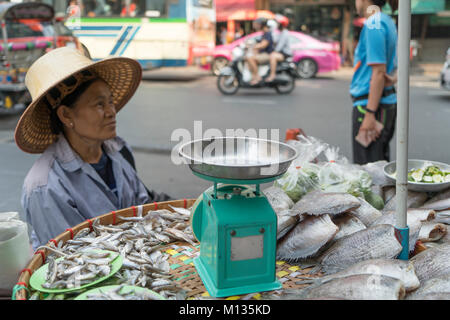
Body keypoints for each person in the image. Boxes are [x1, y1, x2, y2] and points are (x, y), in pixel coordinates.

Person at [16, 47, 171, 250]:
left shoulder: (118, 150)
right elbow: (69, 257)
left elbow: (143, 207)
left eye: (110, 102)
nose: (111, 112)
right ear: (66, 116)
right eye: (99, 104)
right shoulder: (45, 186)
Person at [350, 0, 398, 165]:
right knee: (379, 165)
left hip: (371, 106)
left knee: (368, 171)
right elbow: (396, 64)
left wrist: (370, 113)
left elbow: (378, 71)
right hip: (384, 102)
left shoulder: (374, 24)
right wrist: (393, 78)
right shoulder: (387, 21)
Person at [245, 18, 274, 85]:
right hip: (263, 54)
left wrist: (252, 46)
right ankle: (253, 76)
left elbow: (263, 45)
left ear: (262, 25)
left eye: (257, 24)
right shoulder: (264, 33)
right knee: (248, 58)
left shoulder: (268, 33)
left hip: (267, 55)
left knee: (250, 58)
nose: (256, 26)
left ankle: (257, 77)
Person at [266, 16, 292, 83]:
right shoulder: (280, 32)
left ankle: (272, 75)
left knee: (272, 56)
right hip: (281, 52)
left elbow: (279, 46)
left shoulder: (285, 33)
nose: (276, 25)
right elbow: (274, 41)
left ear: (281, 25)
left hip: (285, 53)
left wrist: (273, 51)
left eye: (278, 23)